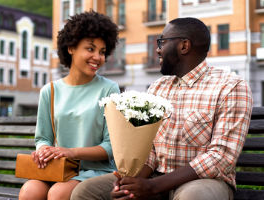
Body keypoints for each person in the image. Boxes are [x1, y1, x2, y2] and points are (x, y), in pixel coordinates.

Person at [70, 17, 253, 200]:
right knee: (85, 192)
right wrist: (130, 184)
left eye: (162, 42)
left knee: (193, 196)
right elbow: (150, 149)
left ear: (184, 46)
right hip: (155, 177)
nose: (157, 49)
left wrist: (153, 186)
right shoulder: (158, 87)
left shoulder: (231, 87)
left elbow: (220, 157)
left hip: (204, 181)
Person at [19, 11, 120, 200]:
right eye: (90, 49)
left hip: (96, 171)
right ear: (71, 48)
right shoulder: (50, 91)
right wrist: (44, 151)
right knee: (29, 192)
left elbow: (111, 147)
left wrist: (71, 152)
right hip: (58, 169)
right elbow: (43, 138)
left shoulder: (109, 89)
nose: (97, 57)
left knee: (58, 194)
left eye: (102, 51)